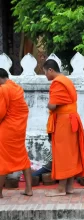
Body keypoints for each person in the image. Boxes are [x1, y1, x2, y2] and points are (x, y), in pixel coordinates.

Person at [43, 59, 84, 197]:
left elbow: (53, 105)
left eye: (45, 72)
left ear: (50, 70)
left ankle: (61, 188)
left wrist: (48, 105)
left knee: (63, 153)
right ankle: (69, 187)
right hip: (72, 120)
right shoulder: (66, 80)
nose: (45, 75)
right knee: (70, 153)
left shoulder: (57, 82)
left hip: (64, 121)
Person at [0, 68, 32, 198]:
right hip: (19, 129)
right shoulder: (17, 88)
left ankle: (0, 193)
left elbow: (1, 112)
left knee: (2, 159)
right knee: (23, 157)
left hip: (7, 129)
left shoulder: (3, 89)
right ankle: (29, 189)